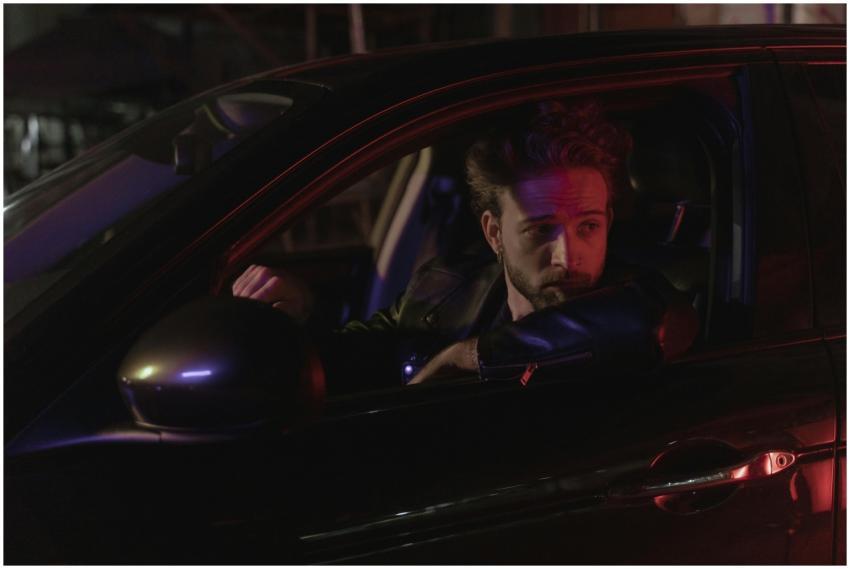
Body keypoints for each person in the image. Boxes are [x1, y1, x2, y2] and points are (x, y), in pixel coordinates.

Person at [233, 100, 698, 389]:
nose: (567, 255)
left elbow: (640, 322)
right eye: (539, 230)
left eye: (588, 226)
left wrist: (464, 358)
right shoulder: (443, 288)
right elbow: (354, 361)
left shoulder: (642, 301)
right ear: (493, 232)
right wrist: (298, 316)